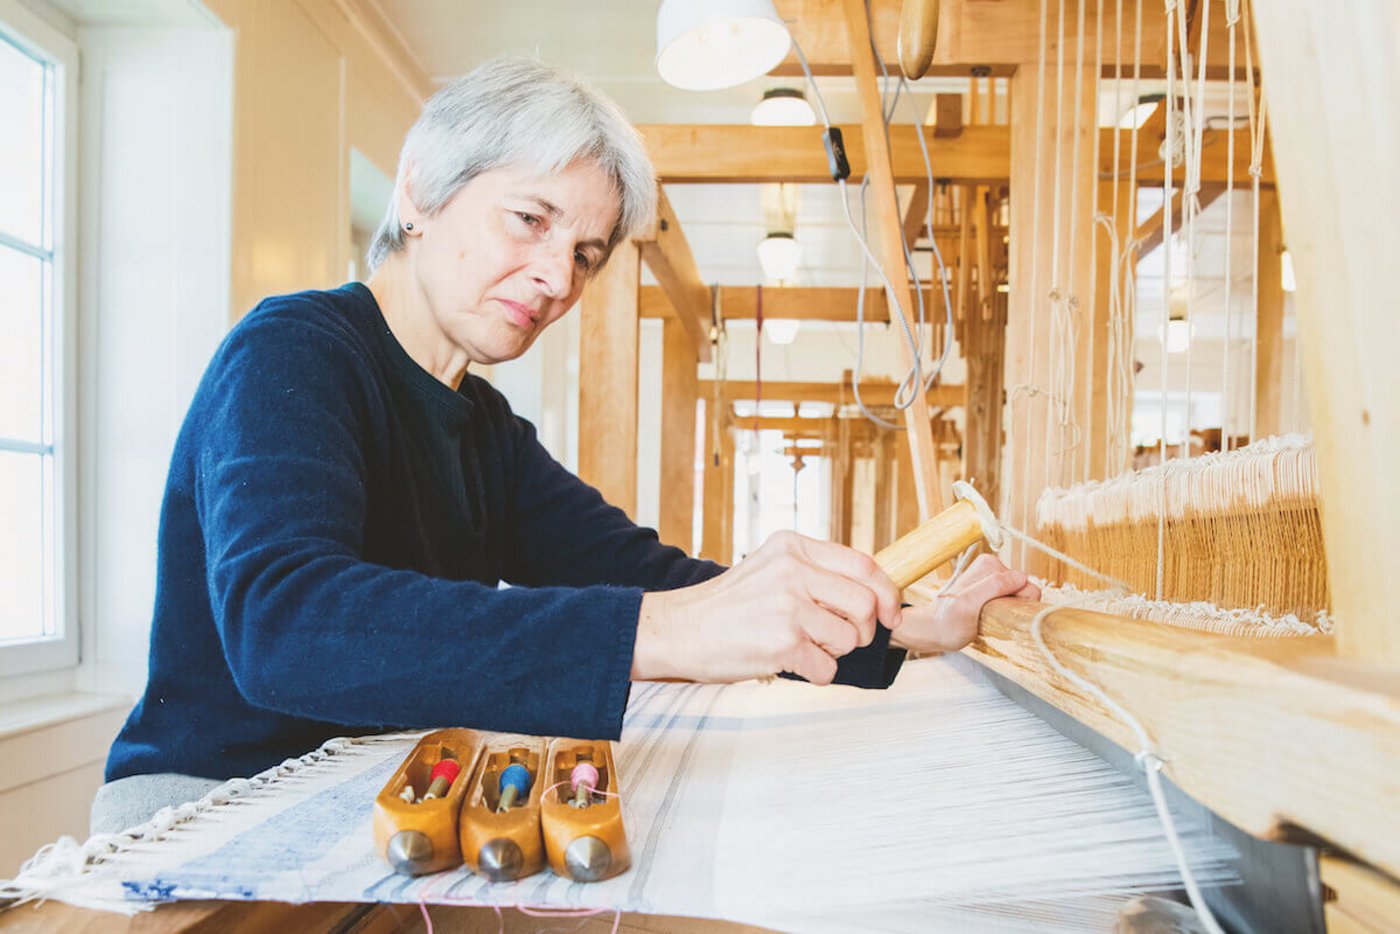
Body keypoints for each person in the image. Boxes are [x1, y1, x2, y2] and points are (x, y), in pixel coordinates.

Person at [93, 57, 1038, 834]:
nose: (555, 276)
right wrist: (666, 634)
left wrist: (900, 628)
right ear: (421, 192)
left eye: (585, 254)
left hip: (374, 809)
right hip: (208, 818)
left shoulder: (484, 430)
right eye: (530, 220)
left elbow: (658, 577)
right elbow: (287, 625)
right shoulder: (292, 349)